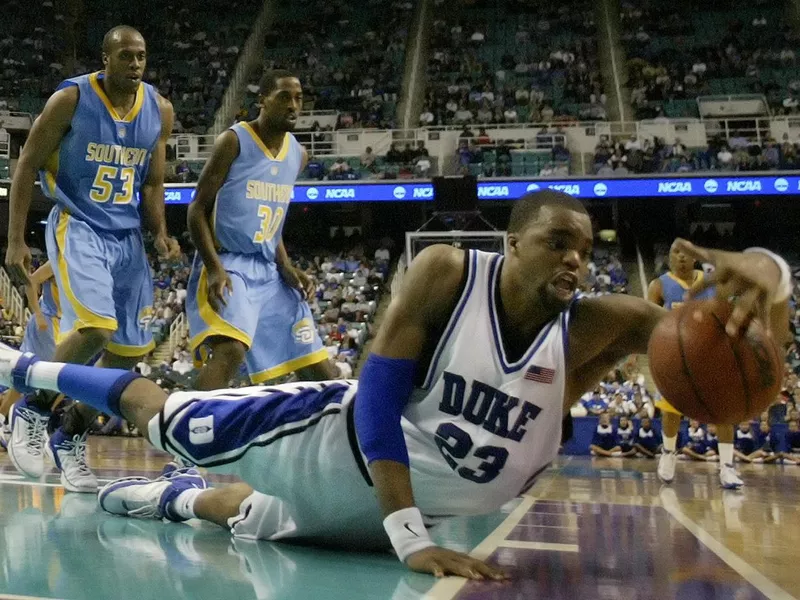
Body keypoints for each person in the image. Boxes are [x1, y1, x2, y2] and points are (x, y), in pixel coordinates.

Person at [0, 191, 791, 580]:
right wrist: (412, 539)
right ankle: (18, 368)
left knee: (246, 517)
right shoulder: (449, 268)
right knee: (167, 414)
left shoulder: (597, 325)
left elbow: (725, 319)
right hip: (332, 446)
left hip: (409, 500)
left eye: (587, 249)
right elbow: (377, 400)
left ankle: (155, 498)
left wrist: (766, 268)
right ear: (512, 243)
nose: (577, 261)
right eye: (558, 243)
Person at [3, 25, 180, 492]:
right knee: (96, 328)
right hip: (79, 225)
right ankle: (34, 407)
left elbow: (152, 183)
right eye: (125, 55)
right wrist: (16, 238)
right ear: (105, 58)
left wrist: (160, 230)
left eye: (141, 55)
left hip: (128, 238)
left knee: (127, 353)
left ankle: (71, 434)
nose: (135, 64)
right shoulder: (72, 100)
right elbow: (27, 163)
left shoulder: (159, 110)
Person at [186, 70, 336, 391]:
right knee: (230, 351)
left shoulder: (298, 154)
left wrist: (286, 265)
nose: (293, 105)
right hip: (229, 263)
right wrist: (214, 268)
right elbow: (196, 209)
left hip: (268, 270)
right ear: (262, 101)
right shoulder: (234, 140)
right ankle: (178, 430)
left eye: (298, 98)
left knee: (317, 367)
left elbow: (271, 222)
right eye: (284, 97)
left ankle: (350, 437)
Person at [648, 242, 742, 489]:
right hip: (675, 356)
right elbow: (648, 321)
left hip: (709, 355)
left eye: (685, 254)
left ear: (694, 259)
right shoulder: (658, 286)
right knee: (671, 410)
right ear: (669, 258)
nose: (680, 258)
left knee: (723, 410)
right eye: (674, 254)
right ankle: (668, 453)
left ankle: (727, 467)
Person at [0, 261, 59, 447]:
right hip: (47, 323)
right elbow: (32, 281)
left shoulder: (88, 262)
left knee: (55, 382)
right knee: (31, 375)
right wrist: (39, 314)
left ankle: (33, 422)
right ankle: (5, 419)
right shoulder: (59, 259)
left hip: (68, 325)